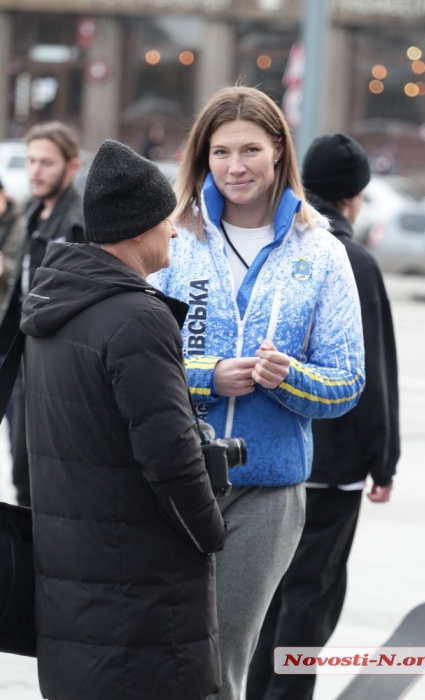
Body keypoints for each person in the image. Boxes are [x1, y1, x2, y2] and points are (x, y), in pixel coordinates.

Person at [148, 87, 366, 700]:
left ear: (278, 151)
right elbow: (137, 357)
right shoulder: (173, 239)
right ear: (202, 156)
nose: (234, 165)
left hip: (268, 492)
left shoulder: (321, 253)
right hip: (173, 476)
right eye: (220, 151)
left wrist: (288, 376)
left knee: (221, 663)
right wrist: (206, 374)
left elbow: (347, 381)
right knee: (161, 653)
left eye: (249, 149)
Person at [19, 139, 226, 700]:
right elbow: (171, 455)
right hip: (140, 600)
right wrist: (212, 533)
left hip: (71, 591)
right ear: (137, 230)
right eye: (166, 220)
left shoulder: (52, 305)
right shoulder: (137, 318)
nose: (175, 232)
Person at [246, 133, 400, 700]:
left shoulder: (278, 243)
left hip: (276, 451)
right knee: (311, 595)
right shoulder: (352, 260)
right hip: (334, 465)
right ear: (356, 197)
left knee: (266, 593)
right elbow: (374, 372)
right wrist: (384, 460)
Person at [0, 121, 85, 506]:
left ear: (71, 166)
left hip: (59, 367)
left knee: (51, 480)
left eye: (46, 163)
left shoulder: (79, 222)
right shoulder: (32, 214)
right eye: (31, 161)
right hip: (23, 358)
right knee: (21, 470)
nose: (35, 170)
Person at [0, 179, 26, 444]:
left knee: (14, 419)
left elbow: (20, 272)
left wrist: (4, 268)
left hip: (8, 338)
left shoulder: (20, 225)